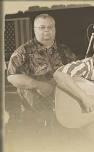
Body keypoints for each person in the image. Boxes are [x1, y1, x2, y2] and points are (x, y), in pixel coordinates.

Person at [6, 13, 76, 145]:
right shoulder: (23, 52)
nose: (46, 30)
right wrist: (37, 84)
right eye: (42, 27)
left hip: (63, 112)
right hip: (34, 116)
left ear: (55, 29)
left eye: (50, 27)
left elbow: (75, 74)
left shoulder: (65, 50)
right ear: (34, 29)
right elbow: (12, 76)